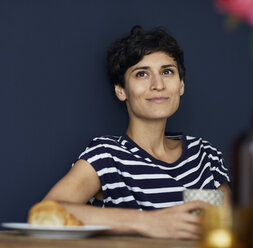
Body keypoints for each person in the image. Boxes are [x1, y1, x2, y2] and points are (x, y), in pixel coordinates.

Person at [43, 25, 231, 239]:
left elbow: (231, 227)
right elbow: (50, 210)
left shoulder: (205, 155)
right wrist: (149, 222)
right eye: (142, 74)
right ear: (121, 90)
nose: (158, 84)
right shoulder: (107, 155)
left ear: (181, 85)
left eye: (167, 72)